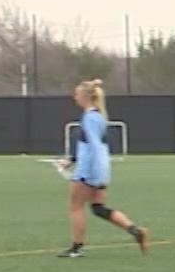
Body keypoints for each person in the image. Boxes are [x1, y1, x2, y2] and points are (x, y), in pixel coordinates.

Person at [57, 78, 151, 257]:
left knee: (76, 206)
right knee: (98, 208)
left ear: (85, 96)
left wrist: (88, 173)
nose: (74, 97)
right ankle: (136, 231)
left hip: (90, 171)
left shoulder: (91, 118)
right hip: (99, 171)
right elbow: (91, 145)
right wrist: (72, 159)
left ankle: (76, 248)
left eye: (77, 94)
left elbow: (94, 146)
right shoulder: (98, 117)